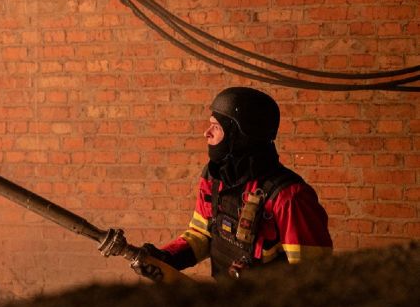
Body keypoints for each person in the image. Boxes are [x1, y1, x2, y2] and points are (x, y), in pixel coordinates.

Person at [135, 87, 333, 280]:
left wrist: (260, 279)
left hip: (270, 302)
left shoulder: (289, 197)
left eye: (216, 127)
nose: (207, 133)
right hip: (228, 296)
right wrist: (167, 258)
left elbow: (313, 277)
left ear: (239, 136)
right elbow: (203, 234)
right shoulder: (214, 178)